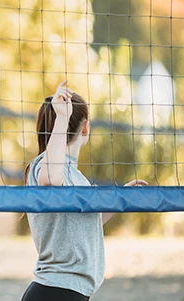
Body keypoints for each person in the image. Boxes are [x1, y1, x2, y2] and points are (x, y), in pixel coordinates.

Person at [22, 81, 148, 301]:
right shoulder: (45, 165)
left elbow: (86, 223)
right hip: (54, 291)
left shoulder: (76, 177)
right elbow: (51, 178)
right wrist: (63, 117)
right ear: (86, 127)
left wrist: (122, 200)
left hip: (71, 291)